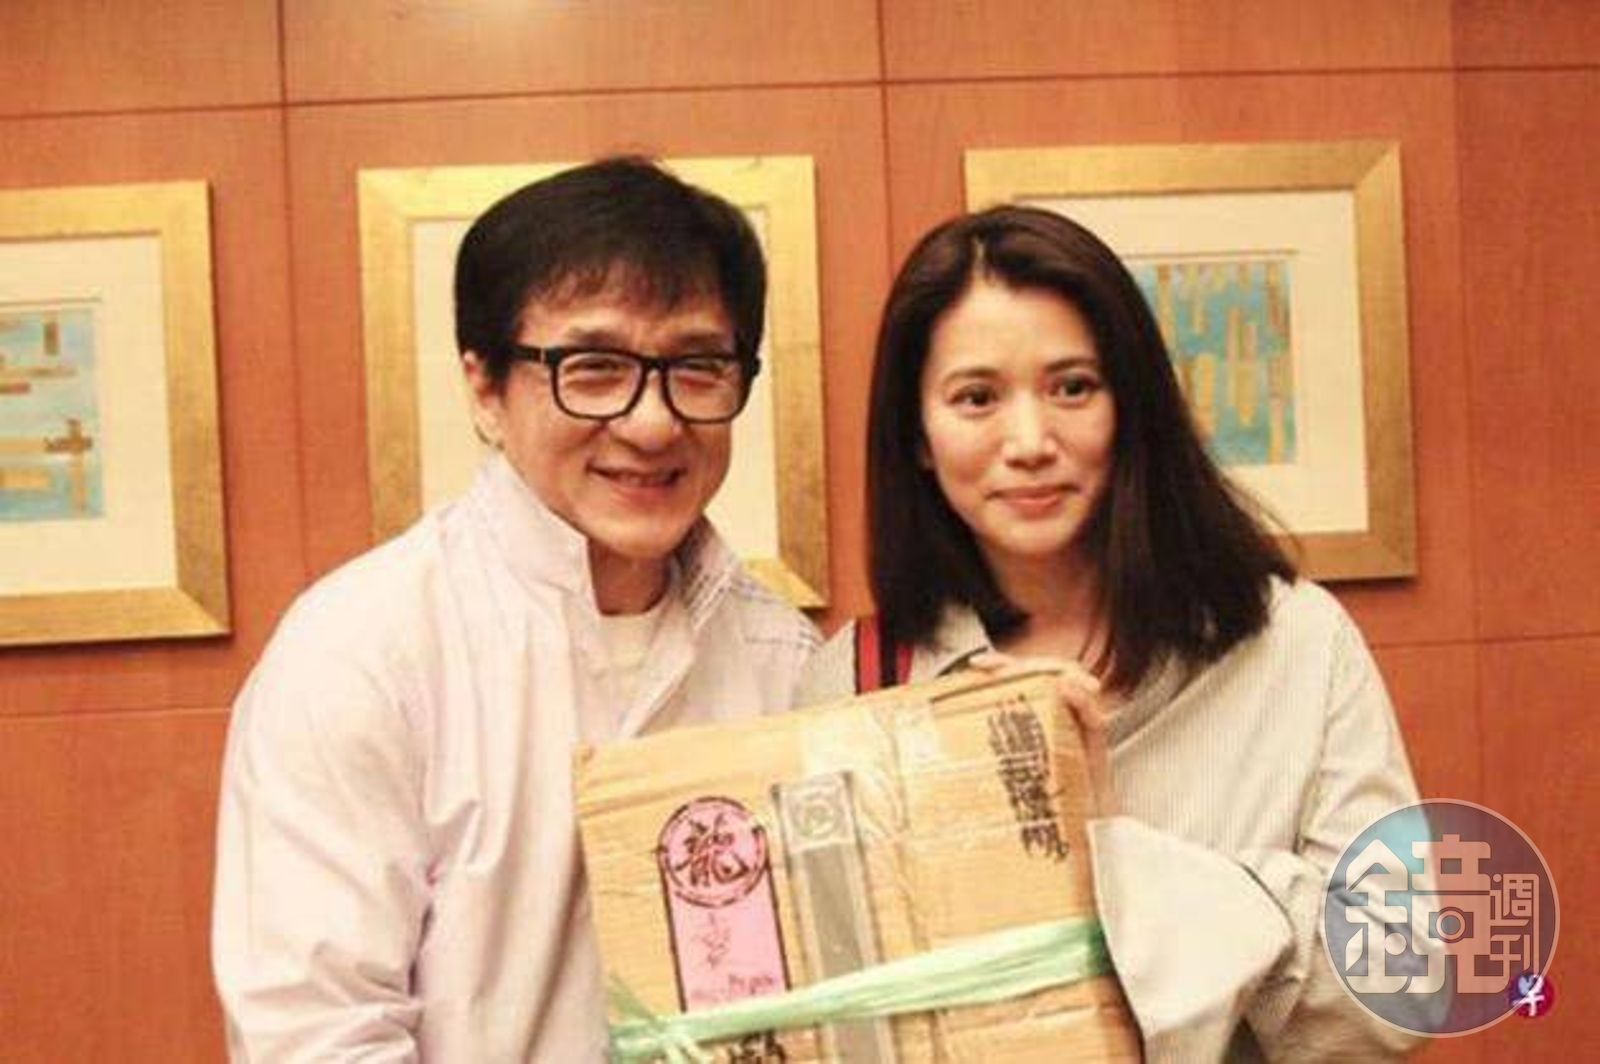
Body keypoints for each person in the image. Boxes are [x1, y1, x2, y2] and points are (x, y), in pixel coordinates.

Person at [213, 157, 819, 1060]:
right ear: (485, 387)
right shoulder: (361, 653)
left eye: (696, 367)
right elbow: (315, 1035)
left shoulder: (788, 660)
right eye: (594, 367)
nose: (652, 423)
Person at [796, 206, 1421, 1060]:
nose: (1030, 442)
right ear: (918, 438)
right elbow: (831, 1017)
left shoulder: (1294, 643)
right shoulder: (855, 682)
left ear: (1133, 407)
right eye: (977, 398)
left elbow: (1401, 996)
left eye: (1072, 388)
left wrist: (1119, 850)